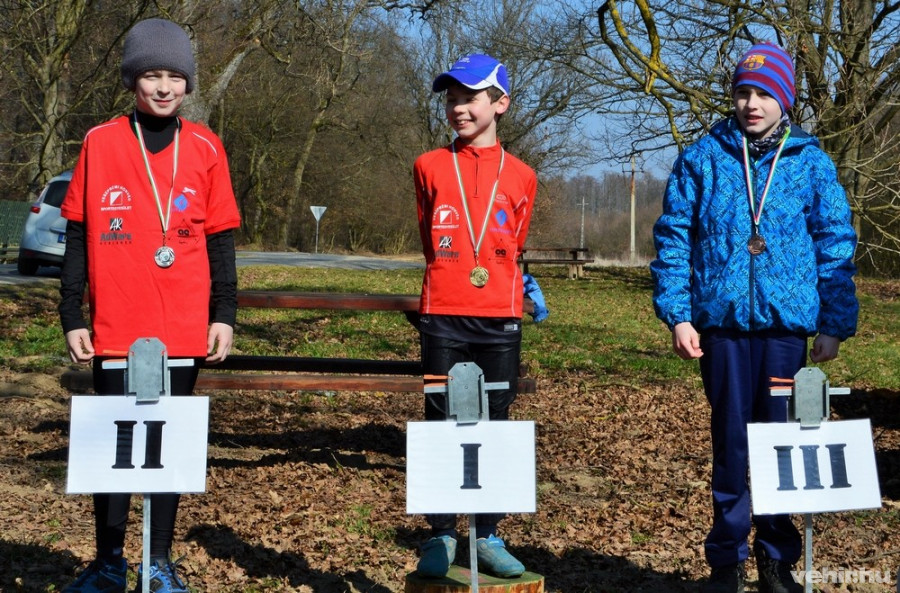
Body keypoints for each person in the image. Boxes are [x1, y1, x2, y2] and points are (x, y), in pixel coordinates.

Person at [651, 42, 858, 593]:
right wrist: (678, 315)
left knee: (779, 446)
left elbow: (835, 241)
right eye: (743, 91)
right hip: (718, 328)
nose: (751, 103)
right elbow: (673, 239)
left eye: (764, 93)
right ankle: (725, 561)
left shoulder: (809, 160)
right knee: (731, 446)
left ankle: (775, 559)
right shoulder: (702, 158)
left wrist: (834, 323)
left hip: (784, 331)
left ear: (784, 99)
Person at [58, 18, 241, 593]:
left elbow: (220, 241)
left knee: (168, 448)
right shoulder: (100, 141)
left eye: (175, 77)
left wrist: (224, 314)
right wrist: (72, 314)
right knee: (112, 448)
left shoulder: (208, 146)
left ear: (188, 83)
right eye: (151, 75)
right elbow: (79, 235)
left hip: (183, 327)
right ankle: (109, 561)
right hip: (115, 326)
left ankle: (157, 561)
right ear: (132, 80)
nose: (163, 87)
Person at [412, 53, 537, 579]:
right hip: (443, 311)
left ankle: (487, 533)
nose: (459, 108)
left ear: (500, 103)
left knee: (497, 424)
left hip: (499, 317)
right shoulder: (428, 166)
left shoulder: (524, 176)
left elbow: (516, 241)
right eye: (451, 98)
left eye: (470, 97)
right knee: (441, 421)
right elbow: (427, 238)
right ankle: (441, 531)